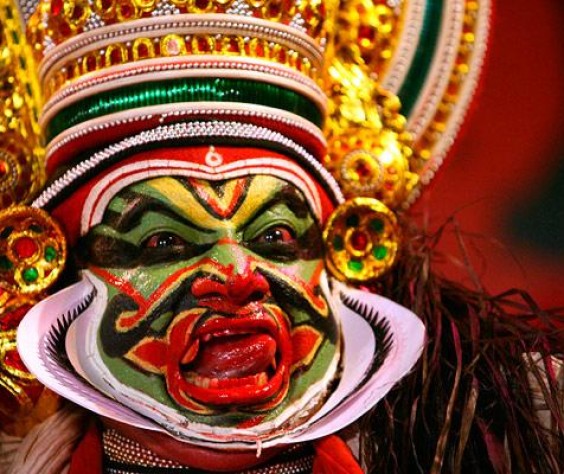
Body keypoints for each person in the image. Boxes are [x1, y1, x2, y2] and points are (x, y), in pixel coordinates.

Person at [0, 0, 562, 472]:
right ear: (58, 272)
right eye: (162, 243)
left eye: (275, 235)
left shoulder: (504, 442)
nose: (238, 277)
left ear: (338, 264)